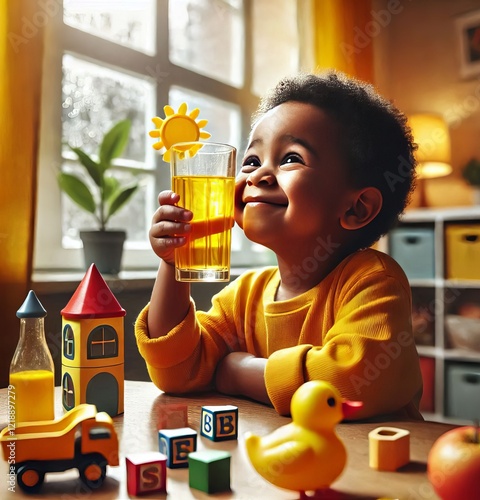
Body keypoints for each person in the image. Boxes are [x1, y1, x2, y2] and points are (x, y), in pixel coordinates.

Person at [135, 70, 423, 420]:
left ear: (356, 207)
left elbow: (353, 382)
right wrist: (173, 263)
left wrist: (239, 373)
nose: (258, 175)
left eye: (291, 158)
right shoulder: (244, 296)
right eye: (252, 161)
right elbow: (177, 372)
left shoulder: (373, 281)